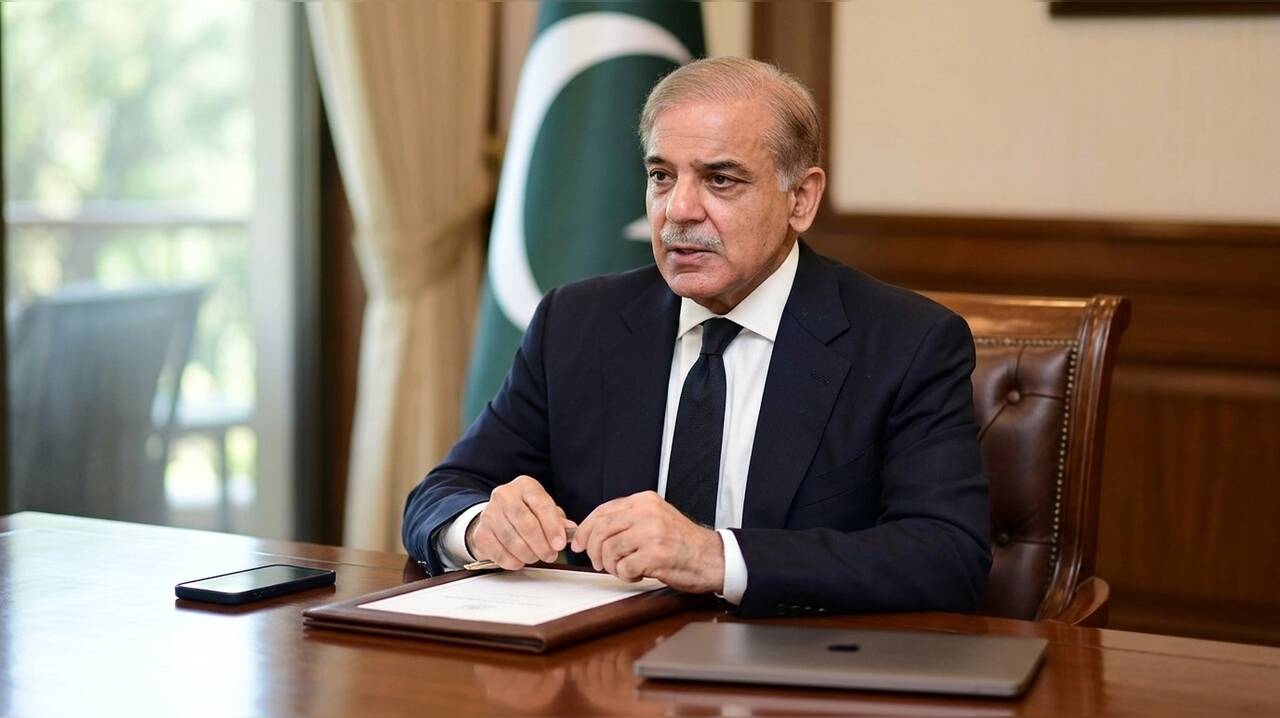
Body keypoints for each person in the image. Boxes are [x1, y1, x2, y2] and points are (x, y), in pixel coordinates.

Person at [403, 57, 990, 618]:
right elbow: (442, 493)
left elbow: (948, 556)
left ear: (801, 199)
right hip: (601, 664)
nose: (678, 210)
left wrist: (714, 558)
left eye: (720, 179)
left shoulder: (906, 342)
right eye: (661, 176)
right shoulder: (577, 323)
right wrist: (480, 525)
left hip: (793, 663)